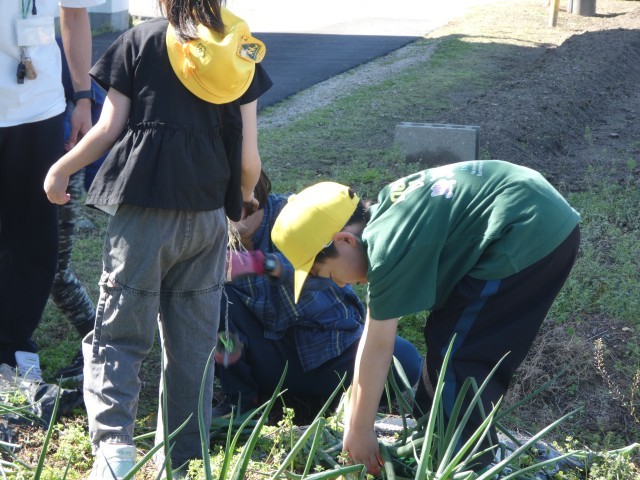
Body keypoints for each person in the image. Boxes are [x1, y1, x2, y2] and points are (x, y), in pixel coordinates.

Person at [43, 0, 272, 477]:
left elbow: (108, 128)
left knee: (120, 336)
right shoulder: (239, 47)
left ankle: (114, 452)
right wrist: (245, 196)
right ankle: (185, 461)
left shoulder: (141, 41)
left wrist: (62, 168)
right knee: (193, 346)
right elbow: (249, 159)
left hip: (143, 216)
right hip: (207, 218)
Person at [271, 160, 581, 476]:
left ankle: (458, 465)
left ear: (345, 241)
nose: (338, 284)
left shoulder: (387, 248)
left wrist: (359, 430)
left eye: (328, 273)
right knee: (447, 338)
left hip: (528, 228)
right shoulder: (387, 214)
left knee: (459, 358)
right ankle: (436, 446)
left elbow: (378, 346)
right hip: (530, 209)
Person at [217, 171, 423, 417]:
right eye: (223, 208)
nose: (234, 217)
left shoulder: (295, 217)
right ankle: (241, 400)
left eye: (241, 204)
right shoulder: (214, 238)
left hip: (330, 347)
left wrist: (262, 264)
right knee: (214, 297)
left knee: (404, 359)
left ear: (255, 193)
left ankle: (325, 394)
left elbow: (325, 278)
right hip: (270, 352)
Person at [0, 0, 104, 382]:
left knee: (35, 242)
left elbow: (74, 13)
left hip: (40, 110)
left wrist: (83, 97)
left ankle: (14, 349)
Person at [50, 37, 109, 383]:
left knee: (54, 270)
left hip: (61, 165)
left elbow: (96, 117)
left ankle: (96, 345)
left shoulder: (53, 47)